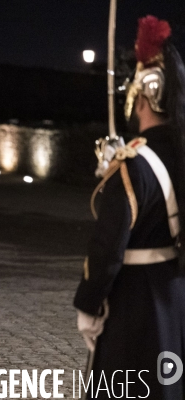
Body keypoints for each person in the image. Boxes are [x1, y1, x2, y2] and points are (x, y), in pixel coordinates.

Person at [73, 16, 185, 399]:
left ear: (143, 95)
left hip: (134, 304)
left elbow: (108, 244)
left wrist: (88, 304)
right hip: (173, 294)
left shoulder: (135, 163)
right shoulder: (171, 156)